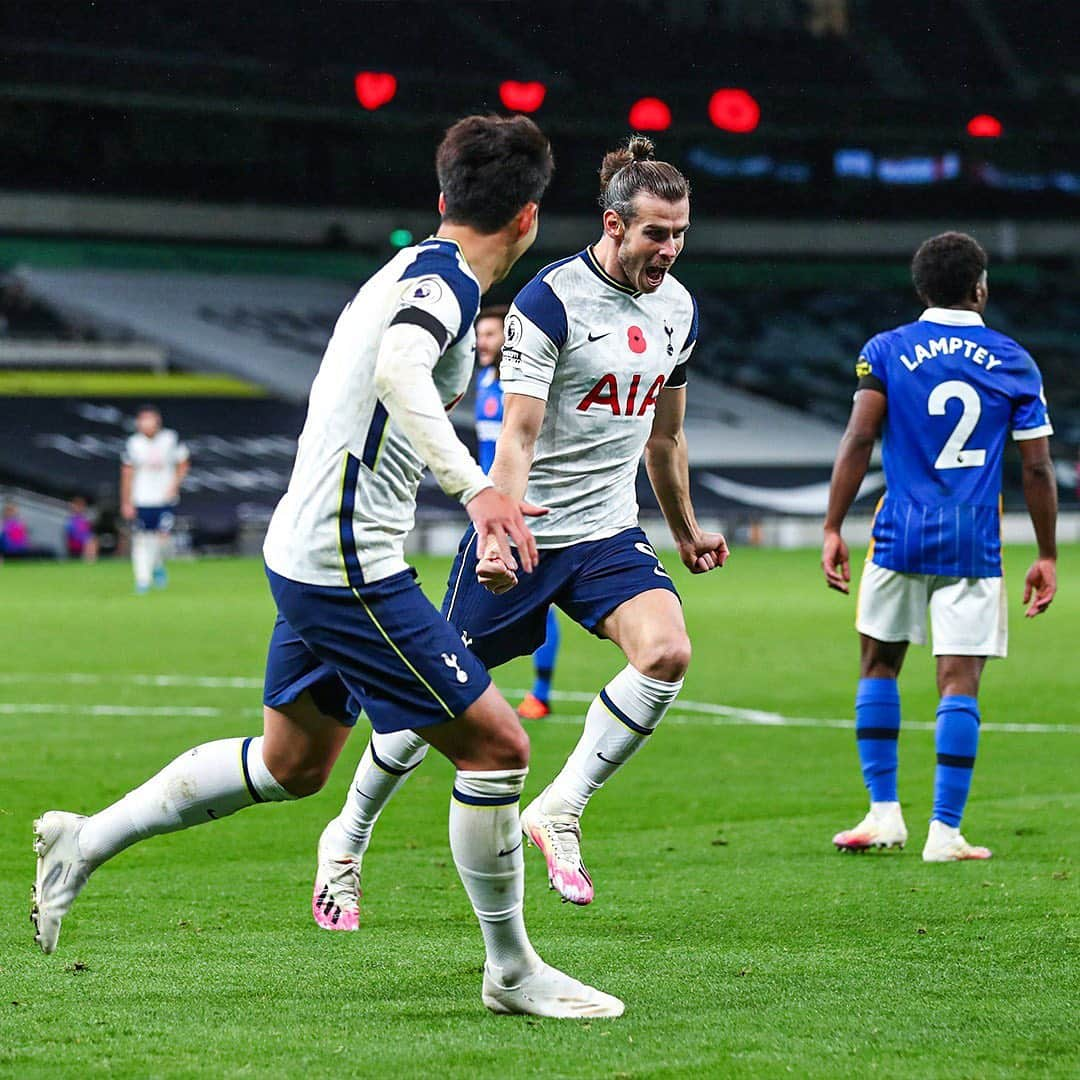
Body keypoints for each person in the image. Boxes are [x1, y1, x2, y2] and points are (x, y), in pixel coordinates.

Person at [33, 114, 623, 1018]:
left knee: (294, 764)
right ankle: (512, 973)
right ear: (531, 219)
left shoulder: (402, 269)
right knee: (500, 748)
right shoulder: (446, 283)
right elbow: (397, 369)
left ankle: (86, 839)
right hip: (347, 560)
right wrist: (479, 493)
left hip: (305, 547)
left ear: (441, 200)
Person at [314, 134, 727, 925]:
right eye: (654, 233)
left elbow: (666, 438)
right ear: (613, 224)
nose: (669, 250)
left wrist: (686, 530)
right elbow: (520, 435)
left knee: (668, 652)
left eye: (679, 234)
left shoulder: (681, 310)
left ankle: (560, 810)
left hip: (606, 533)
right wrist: (497, 534)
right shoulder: (550, 299)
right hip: (527, 530)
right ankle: (347, 835)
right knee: (427, 710)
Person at [822, 231, 1057, 862]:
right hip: (973, 539)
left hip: (899, 532)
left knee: (879, 666)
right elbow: (1035, 469)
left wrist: (830, 528)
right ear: (980, 287)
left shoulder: (887, 350)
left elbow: (858, 440)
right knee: (959, 681)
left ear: (921, 288)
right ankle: (945, 831)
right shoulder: (1013, 360)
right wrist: (1047, 554)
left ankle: (882, 814)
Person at [474, 305, 562, 719]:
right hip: (490, 504)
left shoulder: (519, 386)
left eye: (490, 334)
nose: (481, 342)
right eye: (480, 335)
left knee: (536, 595)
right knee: (505, 592)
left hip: (521, 504)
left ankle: (539, 693)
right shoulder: (482, 381)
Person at [120, 405, 190, 593]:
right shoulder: (133, 443)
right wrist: (126, 501)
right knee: (142, 538)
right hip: (142, 498)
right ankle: (142, 580)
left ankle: (157, 565)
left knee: (162, 538)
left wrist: (174, 486)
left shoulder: (170, 439)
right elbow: (127, 473)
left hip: (164, 498)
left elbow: (183, 464)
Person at [65, 496, 99, 563]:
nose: (79, 508)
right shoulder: (70, 520)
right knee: (89, 542)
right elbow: (72, 534)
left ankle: (91, 560)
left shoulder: (84, 519)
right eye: (77, 506)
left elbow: (88, 532)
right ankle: (89, 561)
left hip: (85, 541)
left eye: (81, 506)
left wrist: (91, 538)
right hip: (76, 542)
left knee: (93, 540)